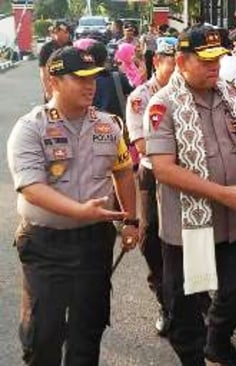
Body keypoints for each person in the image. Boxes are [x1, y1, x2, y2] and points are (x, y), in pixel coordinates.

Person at [7, 46, 139, 365]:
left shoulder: (109, 125)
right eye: (79, 78)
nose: (90, 85)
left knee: (87, 330)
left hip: (94, 242)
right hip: (45, 244)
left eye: (93, 77)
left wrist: (132, 221)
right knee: (44, 334)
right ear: (54, 81)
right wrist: (80, 211)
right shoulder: (30, 128)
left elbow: (123, 172)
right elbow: (31, 187)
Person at [144, 25, 236, 366]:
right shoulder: (162, 104)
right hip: (186, 228)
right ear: (181, 61)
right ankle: (196, 359)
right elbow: (164, 169)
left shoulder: (228, 94)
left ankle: (218, 344)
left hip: (229, 223)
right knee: (185, 308)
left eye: (219, 59)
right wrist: (222, 193)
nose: (215, 67)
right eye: (206, 60)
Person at [125, 36, 177, 337]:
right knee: (151, 241)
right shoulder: (141, 97)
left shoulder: (191, 92)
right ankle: (166, 303)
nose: (180, 70)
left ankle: (197, 300)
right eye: (173, 63)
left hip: (189, 178)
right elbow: (143, 146)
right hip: (153, 176)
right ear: (157, 61)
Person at [39, 21, 72, 101]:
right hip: (53, 87)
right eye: (65, 32)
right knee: (53, 112)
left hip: (68, 88)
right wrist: (48, 91)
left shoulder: (70, 46)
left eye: (68, 32)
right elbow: (43, 71)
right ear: (56, 32)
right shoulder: (46, 48)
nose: (67, 35)